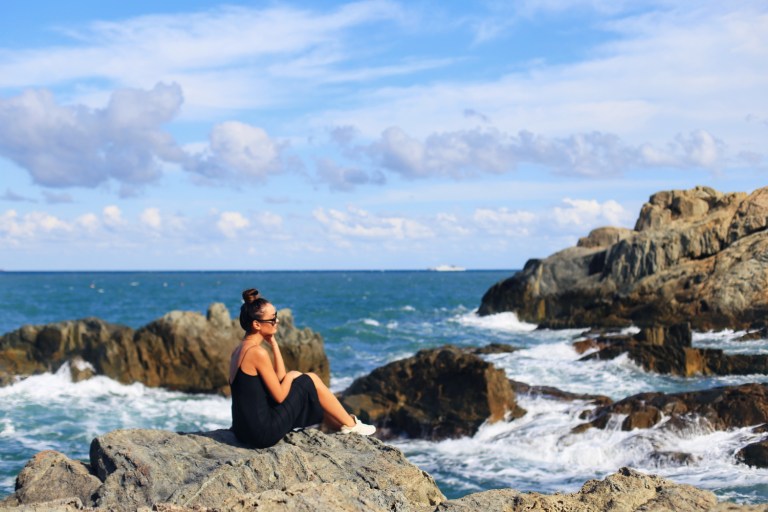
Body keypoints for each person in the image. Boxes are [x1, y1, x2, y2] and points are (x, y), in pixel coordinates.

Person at [229, 288, 375, 448]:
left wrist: (274, 344)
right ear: (257, 324)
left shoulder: (240, 350)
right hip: (262, 434)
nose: (277, 321)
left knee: (303, 381)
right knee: (309, 379)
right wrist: (293, 375)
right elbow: (279, 396)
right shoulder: (256, 353)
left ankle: (342, 424)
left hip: (241, 431)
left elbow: (279, 379)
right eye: (272, 319)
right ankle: (352, 425)